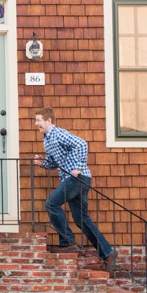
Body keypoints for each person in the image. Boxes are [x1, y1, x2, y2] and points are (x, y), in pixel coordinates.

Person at [33, 106, 118, 272]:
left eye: (39, 120)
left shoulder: (58, 133)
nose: (36, 124)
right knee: (81, 219)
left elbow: (81, 144)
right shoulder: (47, 139)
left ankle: (68, 242)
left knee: (51, 204)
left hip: (77, 178)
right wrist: (43, 162)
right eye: (36, 120)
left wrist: (78, 167)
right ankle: (108, 253)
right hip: (75, 179)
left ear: (49, 120)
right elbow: (55, 162)